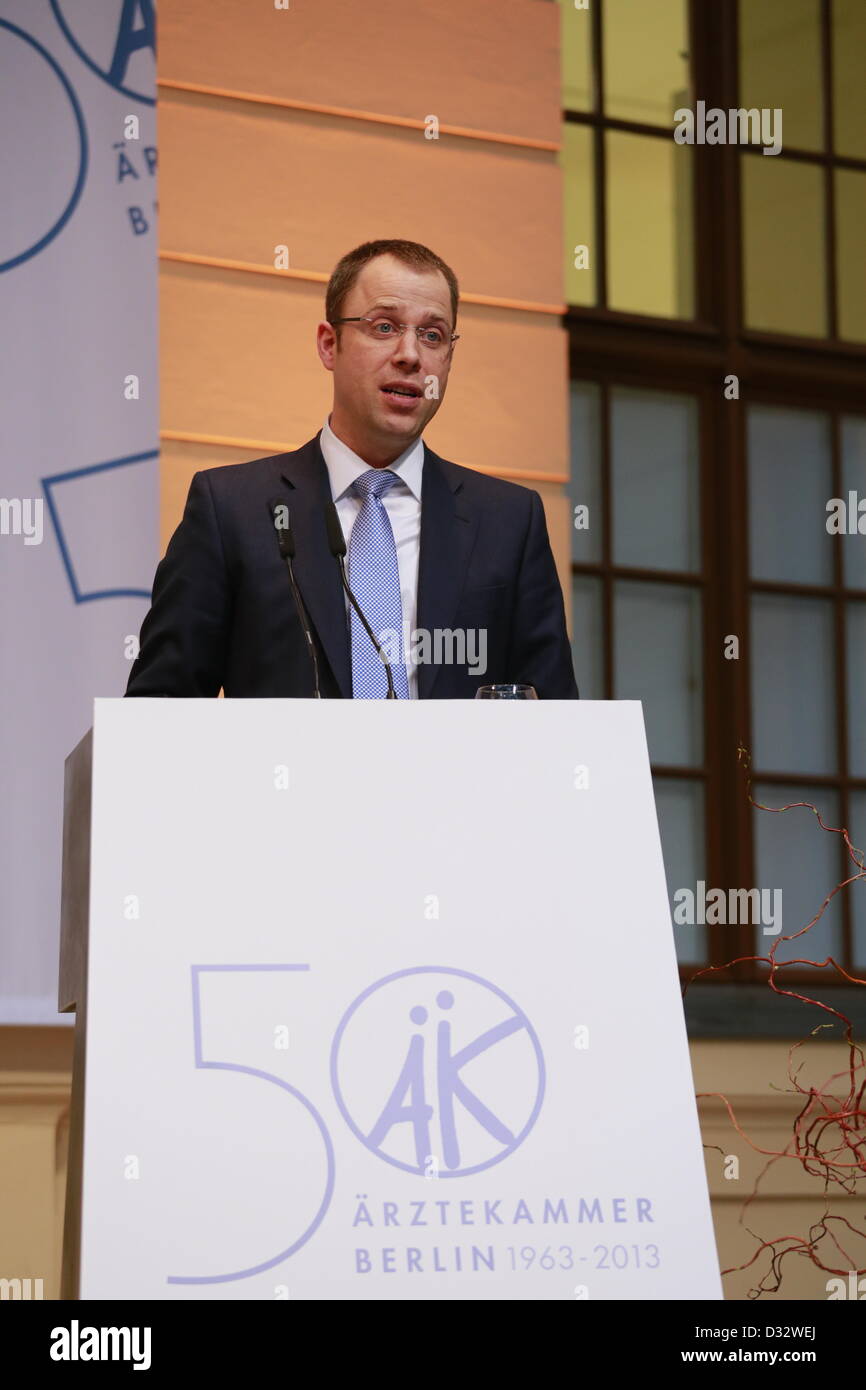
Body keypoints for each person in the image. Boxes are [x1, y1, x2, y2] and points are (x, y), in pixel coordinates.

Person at [125, 239, 579, 700]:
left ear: (448, 361)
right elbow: (161, 706)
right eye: (384, 327)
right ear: (329, 344)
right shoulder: (231, 510)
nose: (410, 355)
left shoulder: (508, 519)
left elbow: (553, 716)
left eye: (433, 335)